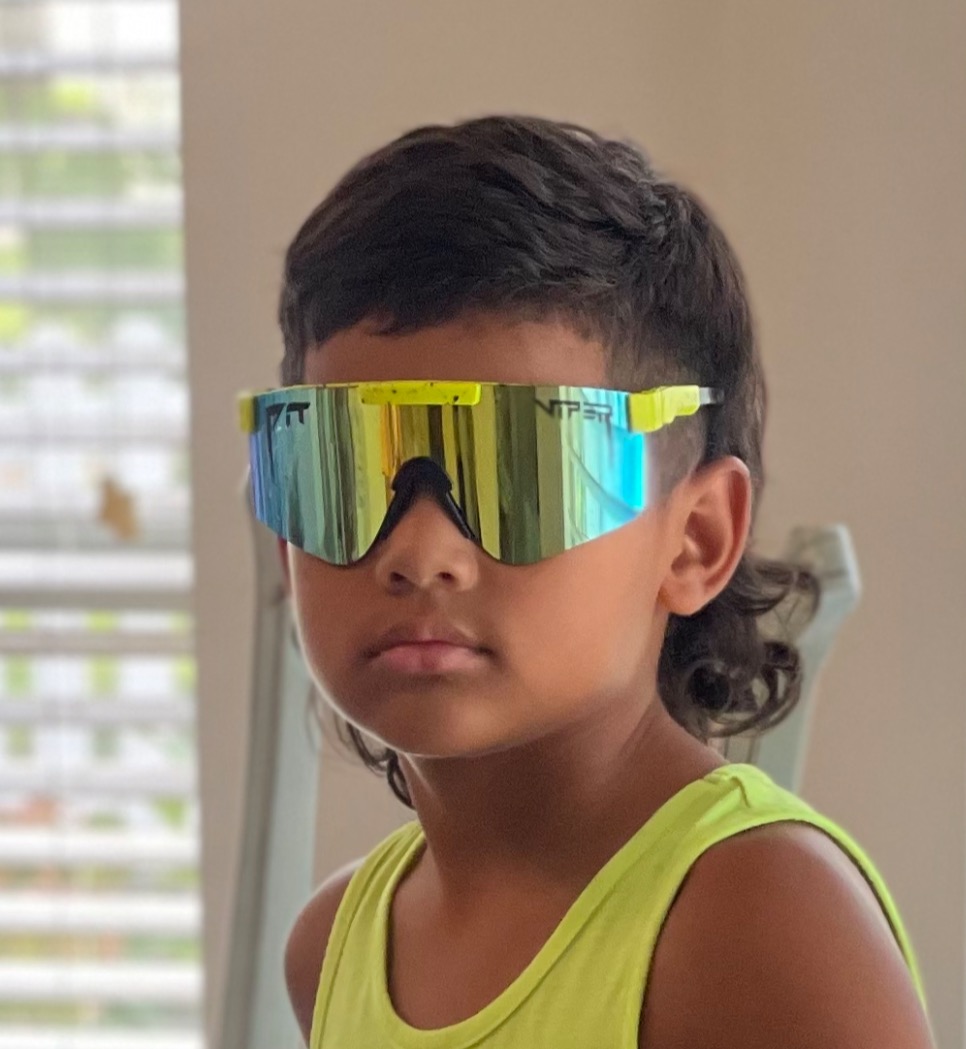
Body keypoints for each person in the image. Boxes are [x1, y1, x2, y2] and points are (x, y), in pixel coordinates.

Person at [242, 115, 934, 1048]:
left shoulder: (758, 924)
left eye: (522, 472)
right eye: (342, 469)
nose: (421, 549)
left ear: (694, 540)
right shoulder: (331, 947)